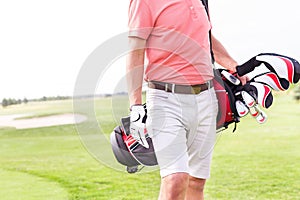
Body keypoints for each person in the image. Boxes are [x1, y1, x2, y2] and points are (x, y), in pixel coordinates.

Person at [126, 0, 243, 199]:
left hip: (206, 99)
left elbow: (207, 39)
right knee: (175, 179)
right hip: (165, 99)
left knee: (196, 182)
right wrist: (135, 105)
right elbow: (135, 50)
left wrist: (234, 66)